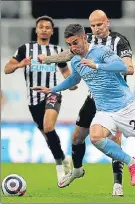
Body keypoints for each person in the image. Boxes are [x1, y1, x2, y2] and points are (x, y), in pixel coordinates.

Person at [32, 24, 135, 193]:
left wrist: (96, 65)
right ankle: (132, 162)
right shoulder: (75, 60)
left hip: (125, 108)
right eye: (69, 45)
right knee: (95, 137)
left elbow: (123, 67)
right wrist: (52, 89)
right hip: (104, 111)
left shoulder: (101, 52)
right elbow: (74, 80)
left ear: (84, 37)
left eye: (75, 43)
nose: (72, 48)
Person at [38, 10, 134, 196]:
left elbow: (129, 67)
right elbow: (69, 54)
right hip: (94, 97)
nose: (97, 29)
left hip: (115, 99)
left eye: (100, 24)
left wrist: (103, 68)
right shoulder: (87, 39)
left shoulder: (119, 42)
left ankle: (117, 183)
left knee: (114, 140)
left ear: (108, 22)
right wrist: (48, 59)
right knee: (76, 137)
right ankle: (77, 170)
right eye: (93, 26)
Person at [4, 15, 76, 186]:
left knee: (49, 126)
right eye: (41, 27)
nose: (44, 30)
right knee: (47, 136)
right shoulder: (25, 49)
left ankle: (60, 169)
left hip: (52, 93)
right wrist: (20, 65)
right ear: (36, 30)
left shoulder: (57, 51)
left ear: (52, 31)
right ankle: (64, 159)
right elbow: (7, 69)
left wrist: (71, 83)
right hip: (33, 100)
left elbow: (65, 72)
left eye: (47, 27)